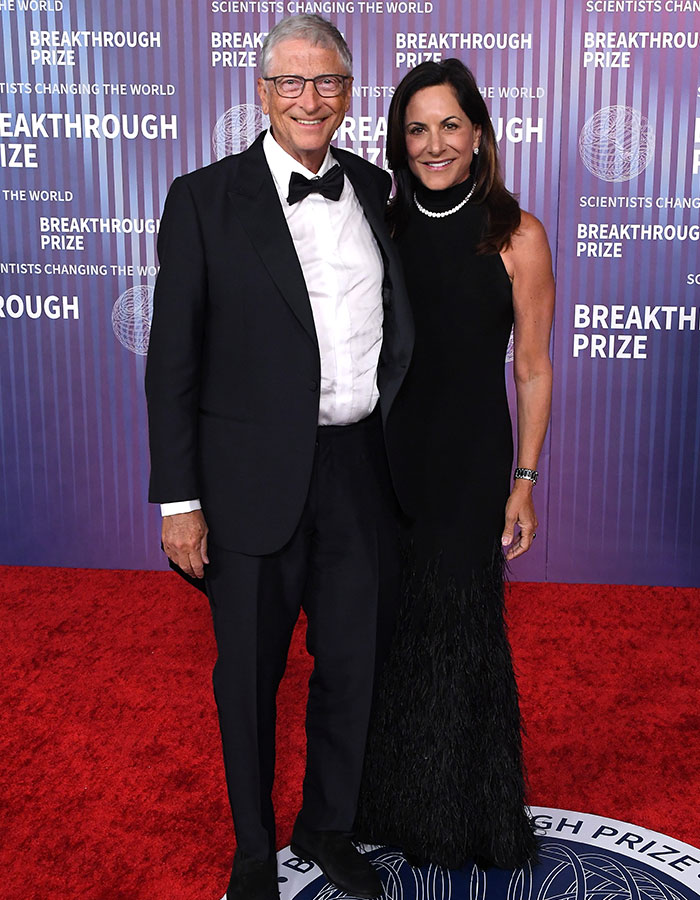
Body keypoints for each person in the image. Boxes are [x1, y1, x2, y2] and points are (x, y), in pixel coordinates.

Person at [144, 15, 413, 900]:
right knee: (249, 679)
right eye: (291, 83)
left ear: (349, 91)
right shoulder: (202, 198)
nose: (310, 99)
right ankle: (254, 850)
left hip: (360, 473)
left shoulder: (379, 191)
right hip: (249, 483)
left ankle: (328, 827)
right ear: (262, 93)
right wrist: (178, 501)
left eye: (327, 82)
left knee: (350, 665)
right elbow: (172, 361)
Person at [355, 59, 555, 870]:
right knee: (388, 636)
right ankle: (391, 805)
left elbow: (534, 367)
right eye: (416, 128)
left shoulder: (517, 234)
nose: (433, 143)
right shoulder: (382, 227)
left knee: (460, 639)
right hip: (382, 461)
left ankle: (467, 816)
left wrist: (527, 482)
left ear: (478, 134)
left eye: (449, 125)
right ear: (399, 143)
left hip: (470, 463)